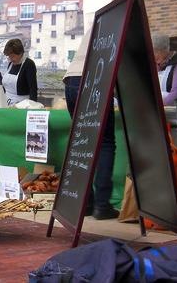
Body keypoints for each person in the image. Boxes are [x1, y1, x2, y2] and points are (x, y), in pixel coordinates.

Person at [63, 28, 119, 220]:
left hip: (71, 79)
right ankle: (102, 206)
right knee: (105, 143)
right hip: (94, 77)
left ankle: (85, 203)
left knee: (83, 141)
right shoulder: (121, 23)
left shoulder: (101, 22)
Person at [2, 39, 38, 106]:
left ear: (20, 53)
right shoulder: (10, 64)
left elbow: (33, 89)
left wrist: (33, 107)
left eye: (12, 56)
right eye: (9, 56)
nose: (10, 59)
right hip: (7, 102)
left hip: (22, 105)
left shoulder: (29, 64)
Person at [152, 34, 177, 106]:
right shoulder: (156, 65)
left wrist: (158, 105)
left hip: (174, 112)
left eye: (156, 52)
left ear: (165, 50)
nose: (153, 55)